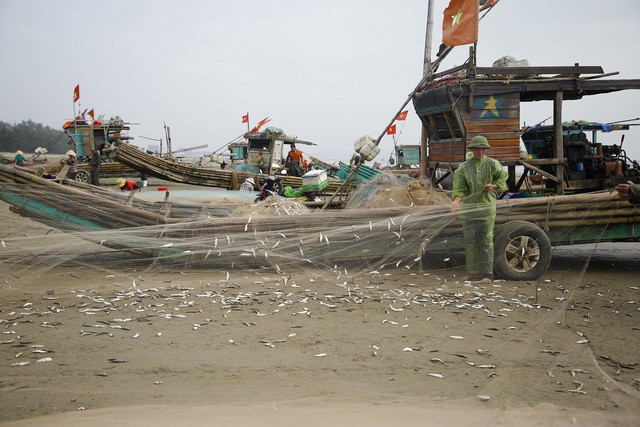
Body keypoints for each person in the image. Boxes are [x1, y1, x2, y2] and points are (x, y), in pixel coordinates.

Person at [450, 135, 508, 283]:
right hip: (469, 210)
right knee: (470, 241)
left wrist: (492, 186)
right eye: (477, 149)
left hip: (487, 209)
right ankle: (472, 272)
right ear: (472, 150)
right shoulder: (464, 168)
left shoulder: (493, 164)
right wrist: (456, 202)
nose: (480, 152)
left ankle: (488, 274)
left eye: (483, 149)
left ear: (486, 150)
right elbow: (460, 189)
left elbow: (501, 181)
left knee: (486, 241)